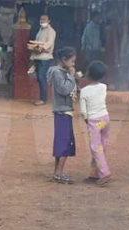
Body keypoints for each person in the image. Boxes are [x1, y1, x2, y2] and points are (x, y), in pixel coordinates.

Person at [47, 47, 78, 184]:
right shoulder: (57, 72)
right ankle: (58, 173)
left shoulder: (60, 72)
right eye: (71, 61)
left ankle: (57, 172)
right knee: (64, 143)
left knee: (61, 142)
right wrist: (71, 76)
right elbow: (64, 89)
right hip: (62, 110)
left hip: (64, 110)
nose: (73, 64)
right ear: (64, 59)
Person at [80, 60, 111, 186]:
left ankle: (104, 173)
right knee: (101, 147)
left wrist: (87, 120)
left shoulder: (84, 91)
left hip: (93, 121)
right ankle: (94, 174)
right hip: (105, 118)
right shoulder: (104, 87)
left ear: (87, 74)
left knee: (95, 148)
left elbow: (83, 111)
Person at [29, 14, 56, 106]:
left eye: (44, 19)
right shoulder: (40, 30)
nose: (42, 20)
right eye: (41, 19)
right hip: (37, 57)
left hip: (45, 57)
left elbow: (50, 42)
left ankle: (43, 99)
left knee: (41, 77)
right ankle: (42, 98)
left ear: (49, 21)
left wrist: (42, 48)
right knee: (39, 78)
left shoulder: (51, 31)